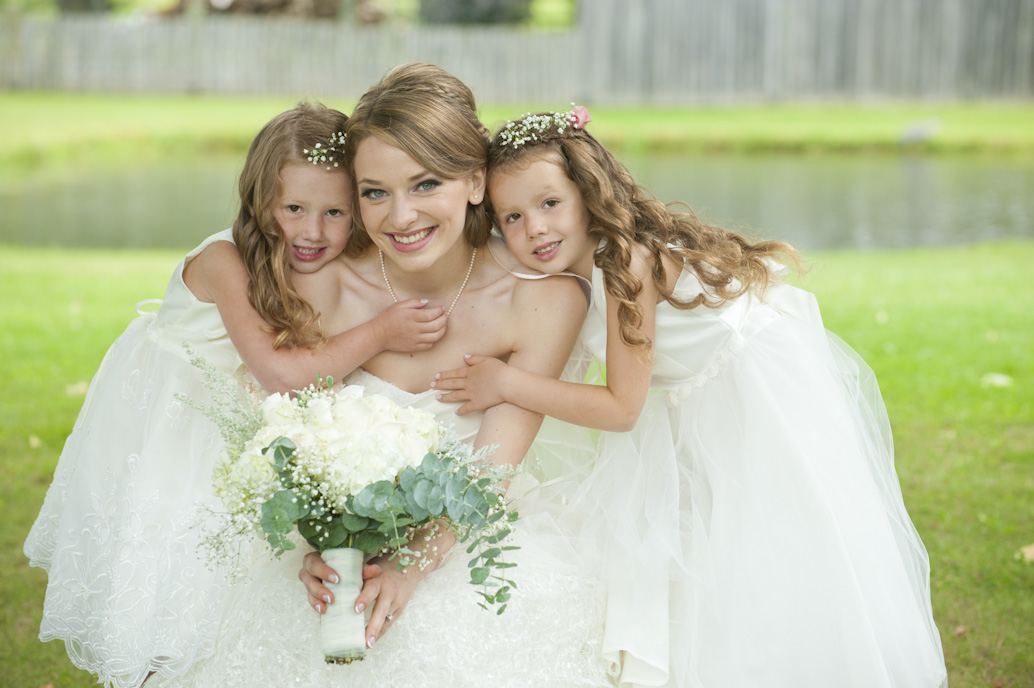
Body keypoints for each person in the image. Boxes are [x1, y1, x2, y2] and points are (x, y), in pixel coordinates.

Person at [431, 106, 950, 687]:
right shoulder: (576, 270)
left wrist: (505, 382)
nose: (535, 229)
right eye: (514, 217)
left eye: (550, 203)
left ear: (587, 191)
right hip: (688, 398)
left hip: (749, 395)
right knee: (703, 558)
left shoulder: (626, 262)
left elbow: (622, 409)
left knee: (768, 551)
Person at [147, 64, 614, 688]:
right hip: (338, 559)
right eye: (374, 192)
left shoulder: (544, 300)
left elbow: (491, 471)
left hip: (463, 540)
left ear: (475, 181)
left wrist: (410, 569)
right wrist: (308, 544)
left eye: (425, 184)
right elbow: (277, 435)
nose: (401, 217)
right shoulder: (320, 280)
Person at [23, 101, 447, 688]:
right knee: (166, 564)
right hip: (174, 425)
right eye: (293, 208)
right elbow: (276, 370)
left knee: (227, 580)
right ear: (259, 199)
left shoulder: (321, 264)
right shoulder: (225, 260)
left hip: (238, 426)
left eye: (335, 212)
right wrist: (381, 331)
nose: (312, 231)